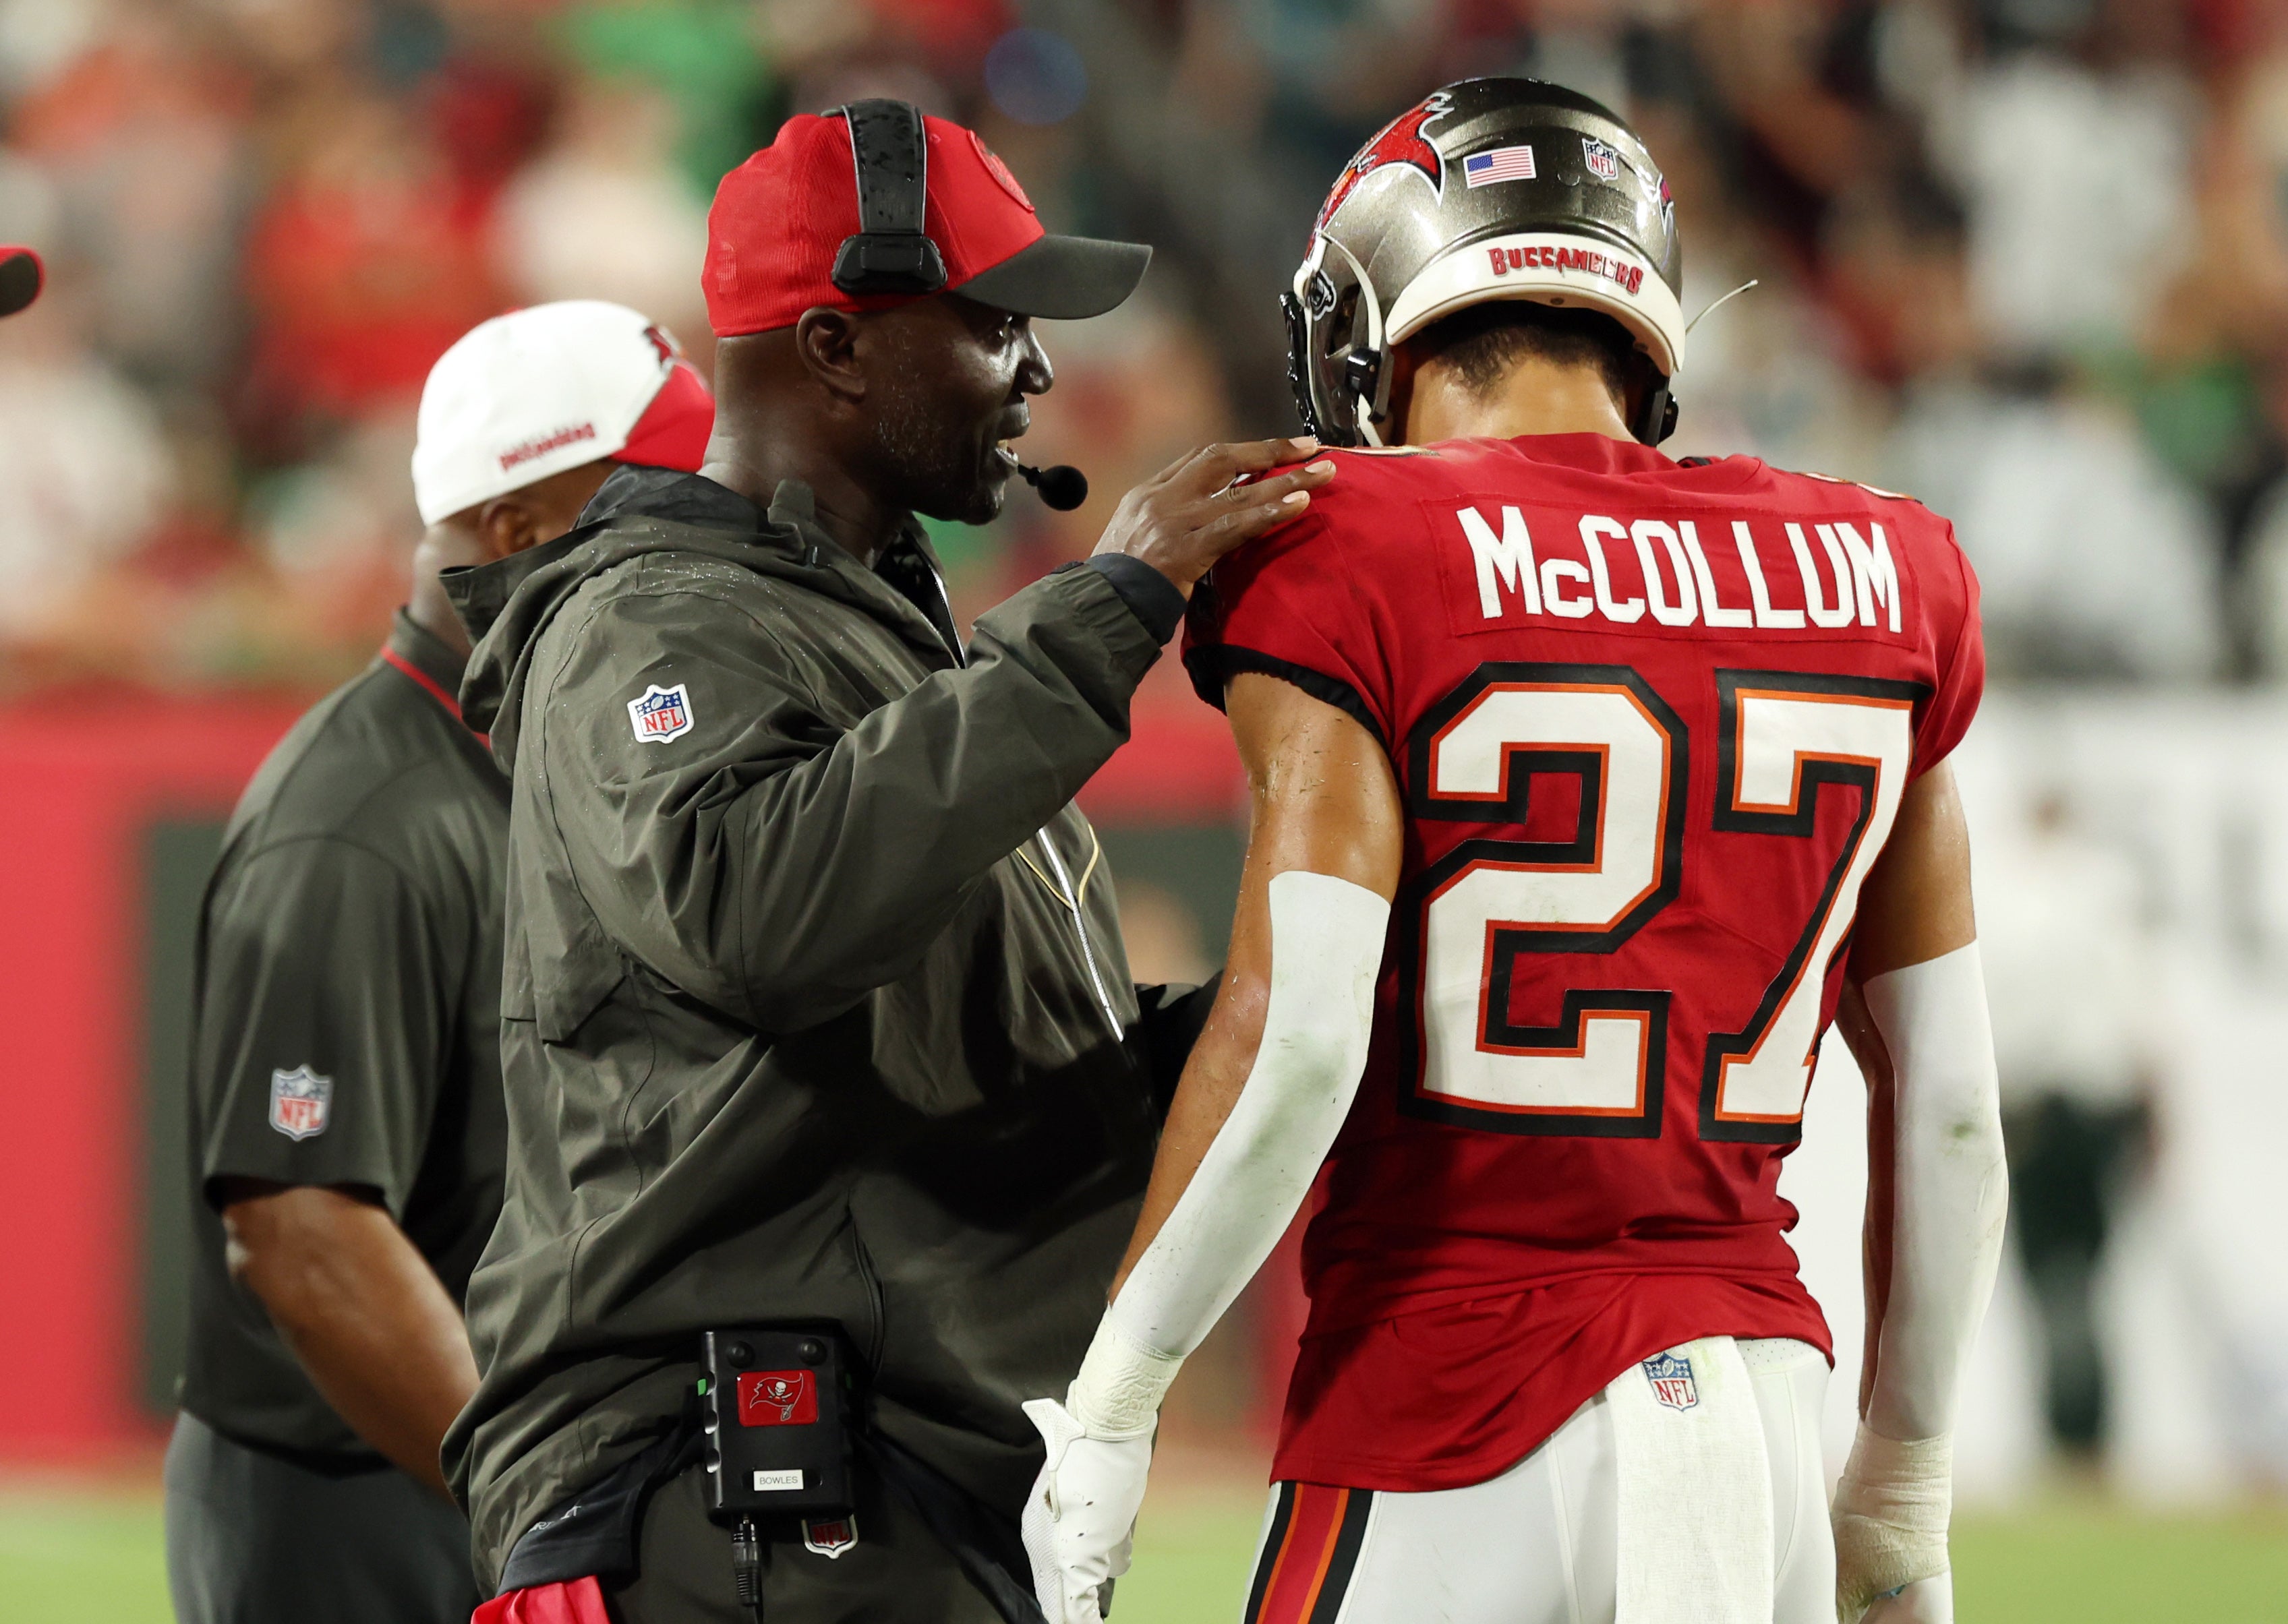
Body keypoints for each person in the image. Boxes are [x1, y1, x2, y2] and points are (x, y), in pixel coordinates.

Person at [1022, 79, 2007, 1624]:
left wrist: (1113, 1403)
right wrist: (1900, 1479)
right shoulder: (1885, 563)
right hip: (1754, 1401)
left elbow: (1297, 1042)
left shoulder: (1343, 544)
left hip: (1446, 1411)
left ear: (1368, 328)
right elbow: (1945, 1104)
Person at [440, 101, 1333, 1624]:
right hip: (729, 1500)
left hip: (882, 1492)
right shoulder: (648, 620)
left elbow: (1012, 1091)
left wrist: (1304, 996)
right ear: (837, 345)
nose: (1038, 369)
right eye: (995, 323)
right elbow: (758, 913)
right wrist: (1101, 611)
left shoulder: (879, 647)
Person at [165, 300, 714, 1624]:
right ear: (518, 533)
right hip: (360, 1514)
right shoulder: (359, 826)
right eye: (662, 494)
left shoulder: (550, 761)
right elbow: (305, 1234)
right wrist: (540, 1511)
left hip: (494, 1484)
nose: (711, 530)